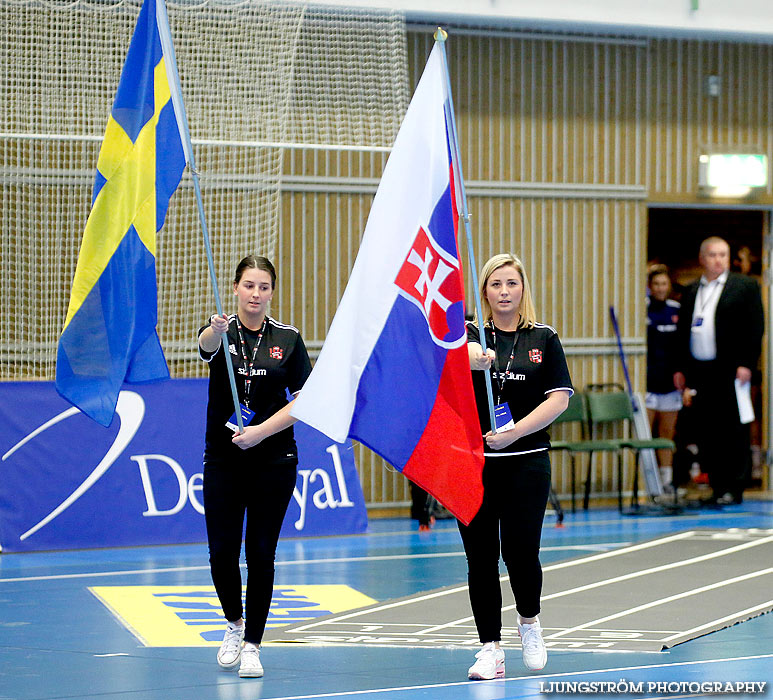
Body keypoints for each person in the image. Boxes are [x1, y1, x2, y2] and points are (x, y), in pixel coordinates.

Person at [198, 255, 311, 678]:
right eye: (249, 285)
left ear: (271, 292)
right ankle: (234, 623)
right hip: (224, 458)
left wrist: (262, 431)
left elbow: (304, 400)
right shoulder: (221, 334)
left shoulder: (289, 339)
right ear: (235, 288)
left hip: (273, 458)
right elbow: (206, 348)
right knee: (221, 553)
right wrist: (214, 329)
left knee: (261, 552)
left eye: (264, 287)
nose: (256, 294)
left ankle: (253, 644)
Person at [463, 253, 572, 679]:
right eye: (495, 285)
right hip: (475, 465)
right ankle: (489, 647)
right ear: (485, 291)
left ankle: (529, 622)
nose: (504, 292)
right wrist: (472, 356)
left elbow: (559, 398)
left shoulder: (544, 338)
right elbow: (453, 357)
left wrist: (515, 433)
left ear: (523, 288)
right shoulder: (471, 335)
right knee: (480, 558)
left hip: (526, 462)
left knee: (522, 554)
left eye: (511, 283)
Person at [673, 237, 764, 505]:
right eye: (713, 255)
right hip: (700, 370)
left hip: (731, 369)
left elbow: (755, 327)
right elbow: (682, 334)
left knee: (732, 430)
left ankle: (733, 487)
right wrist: (680, 369)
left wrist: (747, 363)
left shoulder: (744, 286)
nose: (718, 260)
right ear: (702, 258)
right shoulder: (691, 291)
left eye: (723, 254)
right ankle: (715, 485)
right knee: (706, 431)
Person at [645, 264, 682, 490]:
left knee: (667, 433)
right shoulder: (643, 309)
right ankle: (648, 482)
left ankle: (667, 481)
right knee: (647, 431)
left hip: (670, 383)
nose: (660, 288)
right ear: (650, 287)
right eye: (656, 284)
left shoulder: (677, 309)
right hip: (649, 382)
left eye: (664, 284)